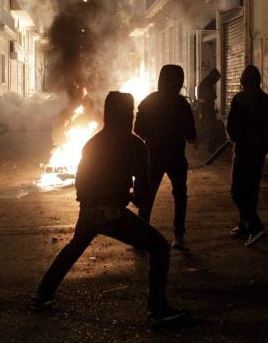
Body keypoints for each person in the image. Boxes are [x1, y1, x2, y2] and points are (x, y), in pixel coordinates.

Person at [31, 92, 188, 328]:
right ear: (127, 114)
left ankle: (42, 295)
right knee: (159, 248)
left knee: (74, 248)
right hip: (112, 212)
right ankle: (157, 310)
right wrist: (131, 198)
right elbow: (143, 192)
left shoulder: (92, 142)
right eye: (132, 112)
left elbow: (81, 182)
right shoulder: (134, 144)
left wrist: (91, 203)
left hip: (89, 210)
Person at [134, 65, 197, 251]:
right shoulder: (182, 104)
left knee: (148, 194)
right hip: (176, 156)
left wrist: (152, 137)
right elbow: (191, 134)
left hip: (153, 155)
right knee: (179, 195)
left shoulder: (148, 101)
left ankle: (140, 234)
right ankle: (179, 236)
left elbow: (137, 129)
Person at [226, 65, 268, 247]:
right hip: (260, 151)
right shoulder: (266, 99)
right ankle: (244, 226)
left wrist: (237, 138)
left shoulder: (239, 99)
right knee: (251, 188)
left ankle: (255, 227)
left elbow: (232, 128)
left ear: (242, 81)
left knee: (237, 190)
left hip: (244, 151)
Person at [197, 68, 221, 152]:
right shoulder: (206, 84)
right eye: (217, 79)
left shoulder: (207, 83)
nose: (217, 81)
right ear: (213, 76)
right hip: (207, 109)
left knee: (212, 129)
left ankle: (211, 148)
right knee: (209, 129)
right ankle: (197, 140)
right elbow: (211, 96)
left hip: (208, 109)